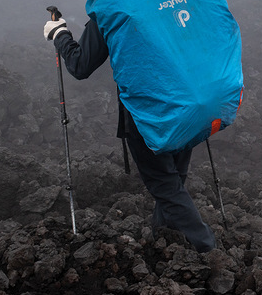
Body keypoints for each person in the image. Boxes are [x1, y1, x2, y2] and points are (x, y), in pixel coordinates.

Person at [43, 15, 217, 253]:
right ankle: (164, 234)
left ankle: (206, 248)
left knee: (165, 183)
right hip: (189, 100)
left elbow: (80, 65)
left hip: (146, 110)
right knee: (175, 175)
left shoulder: (110, 6)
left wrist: (59, 34)